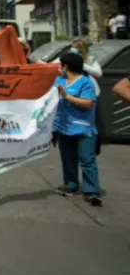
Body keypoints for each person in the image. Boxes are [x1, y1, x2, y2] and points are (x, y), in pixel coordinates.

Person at [53, 52, 101, 206]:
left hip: (83, 129)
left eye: (61, 64)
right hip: (63, 127)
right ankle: (71, 185)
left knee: (87, 160)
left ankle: (91, 190)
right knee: (68, 159)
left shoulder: (85, 82)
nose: (59, 67)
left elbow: (88, 103)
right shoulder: (59, 80)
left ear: (66, 66)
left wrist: (67, 97)